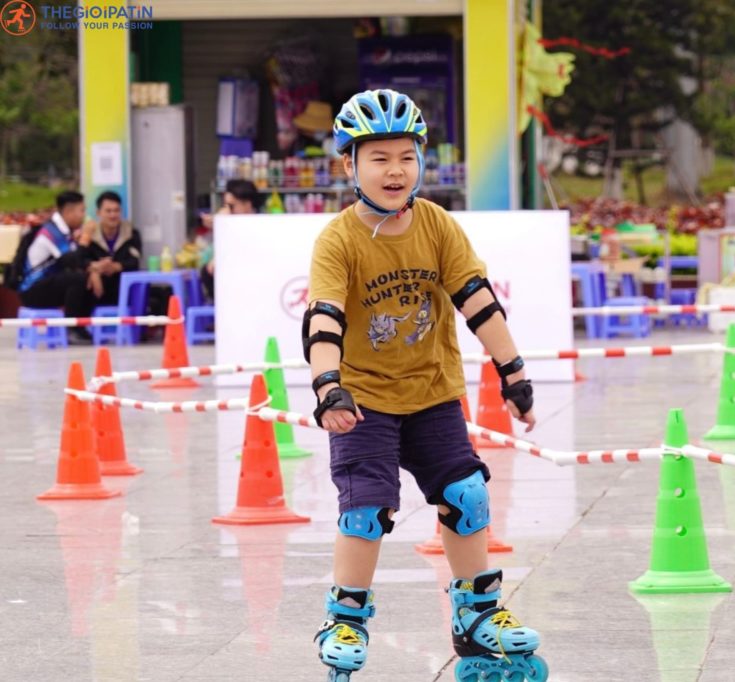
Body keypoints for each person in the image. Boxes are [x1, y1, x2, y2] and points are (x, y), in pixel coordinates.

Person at [305, 89, 547, 682]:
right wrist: (327, 385)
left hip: (434, 391)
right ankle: (345, 620)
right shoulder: (338, 240)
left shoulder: (436, 223)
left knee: (466, 494)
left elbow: (478, 300)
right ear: (349, 165)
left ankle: (477, 613)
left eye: (407, 156)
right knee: (367, 509)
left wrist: (513, 372)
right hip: (363, 400)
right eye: (380, 157)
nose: (395, 170)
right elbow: (323, 318)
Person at [18, 190, 92, 343]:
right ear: (68, 211)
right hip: (32, 290)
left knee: (86, 278)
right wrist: (85, 239)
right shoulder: (51, 231)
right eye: (82, 210)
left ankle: (79, 326)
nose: (84, 215)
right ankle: (71, 329)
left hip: (48, 284)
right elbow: (72, 261)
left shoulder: (64, 231)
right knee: (77, 279)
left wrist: (95, 269)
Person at [78, 191, 141, 306]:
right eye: (108, 211)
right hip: (98, 286)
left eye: (116, 210)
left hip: (123, 284)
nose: (113, 215)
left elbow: (135, 261)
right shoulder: (90, 234)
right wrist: (94, 270)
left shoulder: (131, 233)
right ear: (98, 213)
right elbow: (80, 259)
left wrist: (115, 267)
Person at [199, 178, 259, 301]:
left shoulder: (258, 227)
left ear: (247, 205)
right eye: (225, 205)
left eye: (231, 206)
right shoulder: (229, 225)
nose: (227, 210)